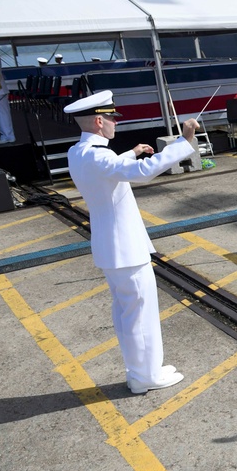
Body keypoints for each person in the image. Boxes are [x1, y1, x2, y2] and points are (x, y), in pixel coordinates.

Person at [65, 91, 199, 394]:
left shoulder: (79, 152)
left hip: (110, 248)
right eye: (111, 118)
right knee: (141, 313)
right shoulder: (100, 157)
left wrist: (132, 151)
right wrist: (184, 142)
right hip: (126, 247)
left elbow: (107, 169)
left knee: (127, 313)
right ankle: (146, 376)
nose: (115, 123)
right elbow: (142, 173)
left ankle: (140, 370)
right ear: (99, 121)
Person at [0, 68, 14, 144]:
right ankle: (7, 135)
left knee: (3, 115)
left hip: (0, 90)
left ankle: (7, 136)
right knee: (2, 114)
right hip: (1, 90)